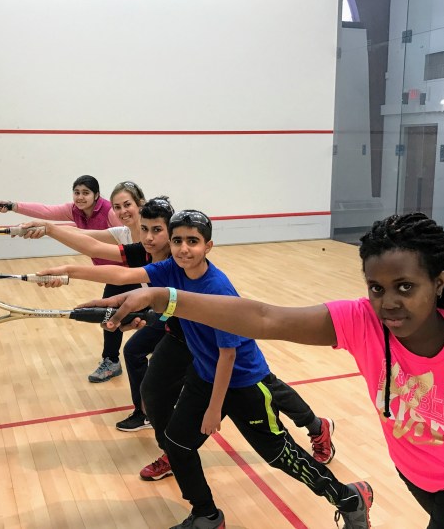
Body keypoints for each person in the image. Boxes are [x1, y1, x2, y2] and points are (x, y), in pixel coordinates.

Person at [92, 212, 444, 529]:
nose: (390, 302)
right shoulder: (363, 321)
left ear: (438, 283)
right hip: (419, 476)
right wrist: (162, 297)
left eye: (406, 287)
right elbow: (266, 318)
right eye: (377, 288)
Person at [39, 209, 369, 529]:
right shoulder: (170, 269)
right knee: (178, 443)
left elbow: (228, 354)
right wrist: (70, 271)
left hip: (243, 383)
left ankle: (348, 497)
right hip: (203, 374)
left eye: (193, 241)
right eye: (178, 240)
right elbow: (123, 276)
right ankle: (206, 513)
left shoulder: (218, 288)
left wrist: (213, 410)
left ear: (207, 246)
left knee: (279, 455)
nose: (184, 248)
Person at [0, 177, 146, 382]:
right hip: (122, 274)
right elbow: (85, 237)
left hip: (135, 276)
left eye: (127, 205)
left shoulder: (137, 232)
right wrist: (47, 228)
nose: (122, 211)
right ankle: (112, 361)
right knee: (112, 318)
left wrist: (52, 232)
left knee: (150, 327)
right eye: (77, 192)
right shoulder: (120, 231)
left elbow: (96, 246)